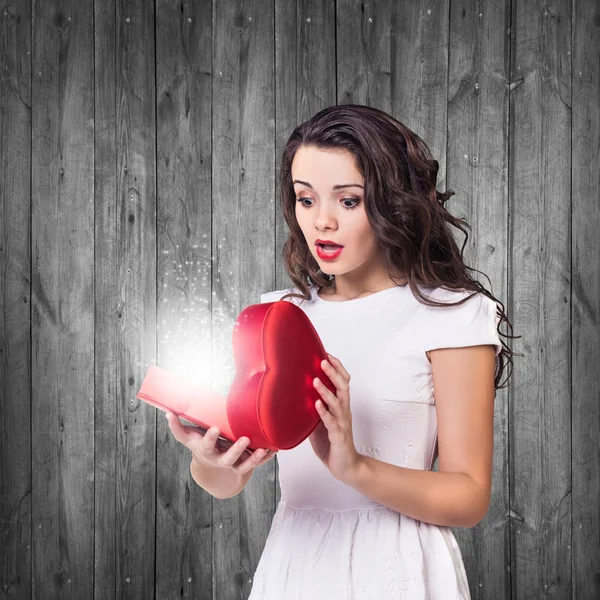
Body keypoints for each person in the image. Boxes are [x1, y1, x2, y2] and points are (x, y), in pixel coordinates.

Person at [166, 104, 517, 599]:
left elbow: (470, 497)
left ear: (392, 202)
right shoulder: (277, 315)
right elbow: (225, 484)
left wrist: (355, 467)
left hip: (400, 571)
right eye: (305, 199)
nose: (322, 222)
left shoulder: (452, 315)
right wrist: (213, 460)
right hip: (295, 566)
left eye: (348, 201)